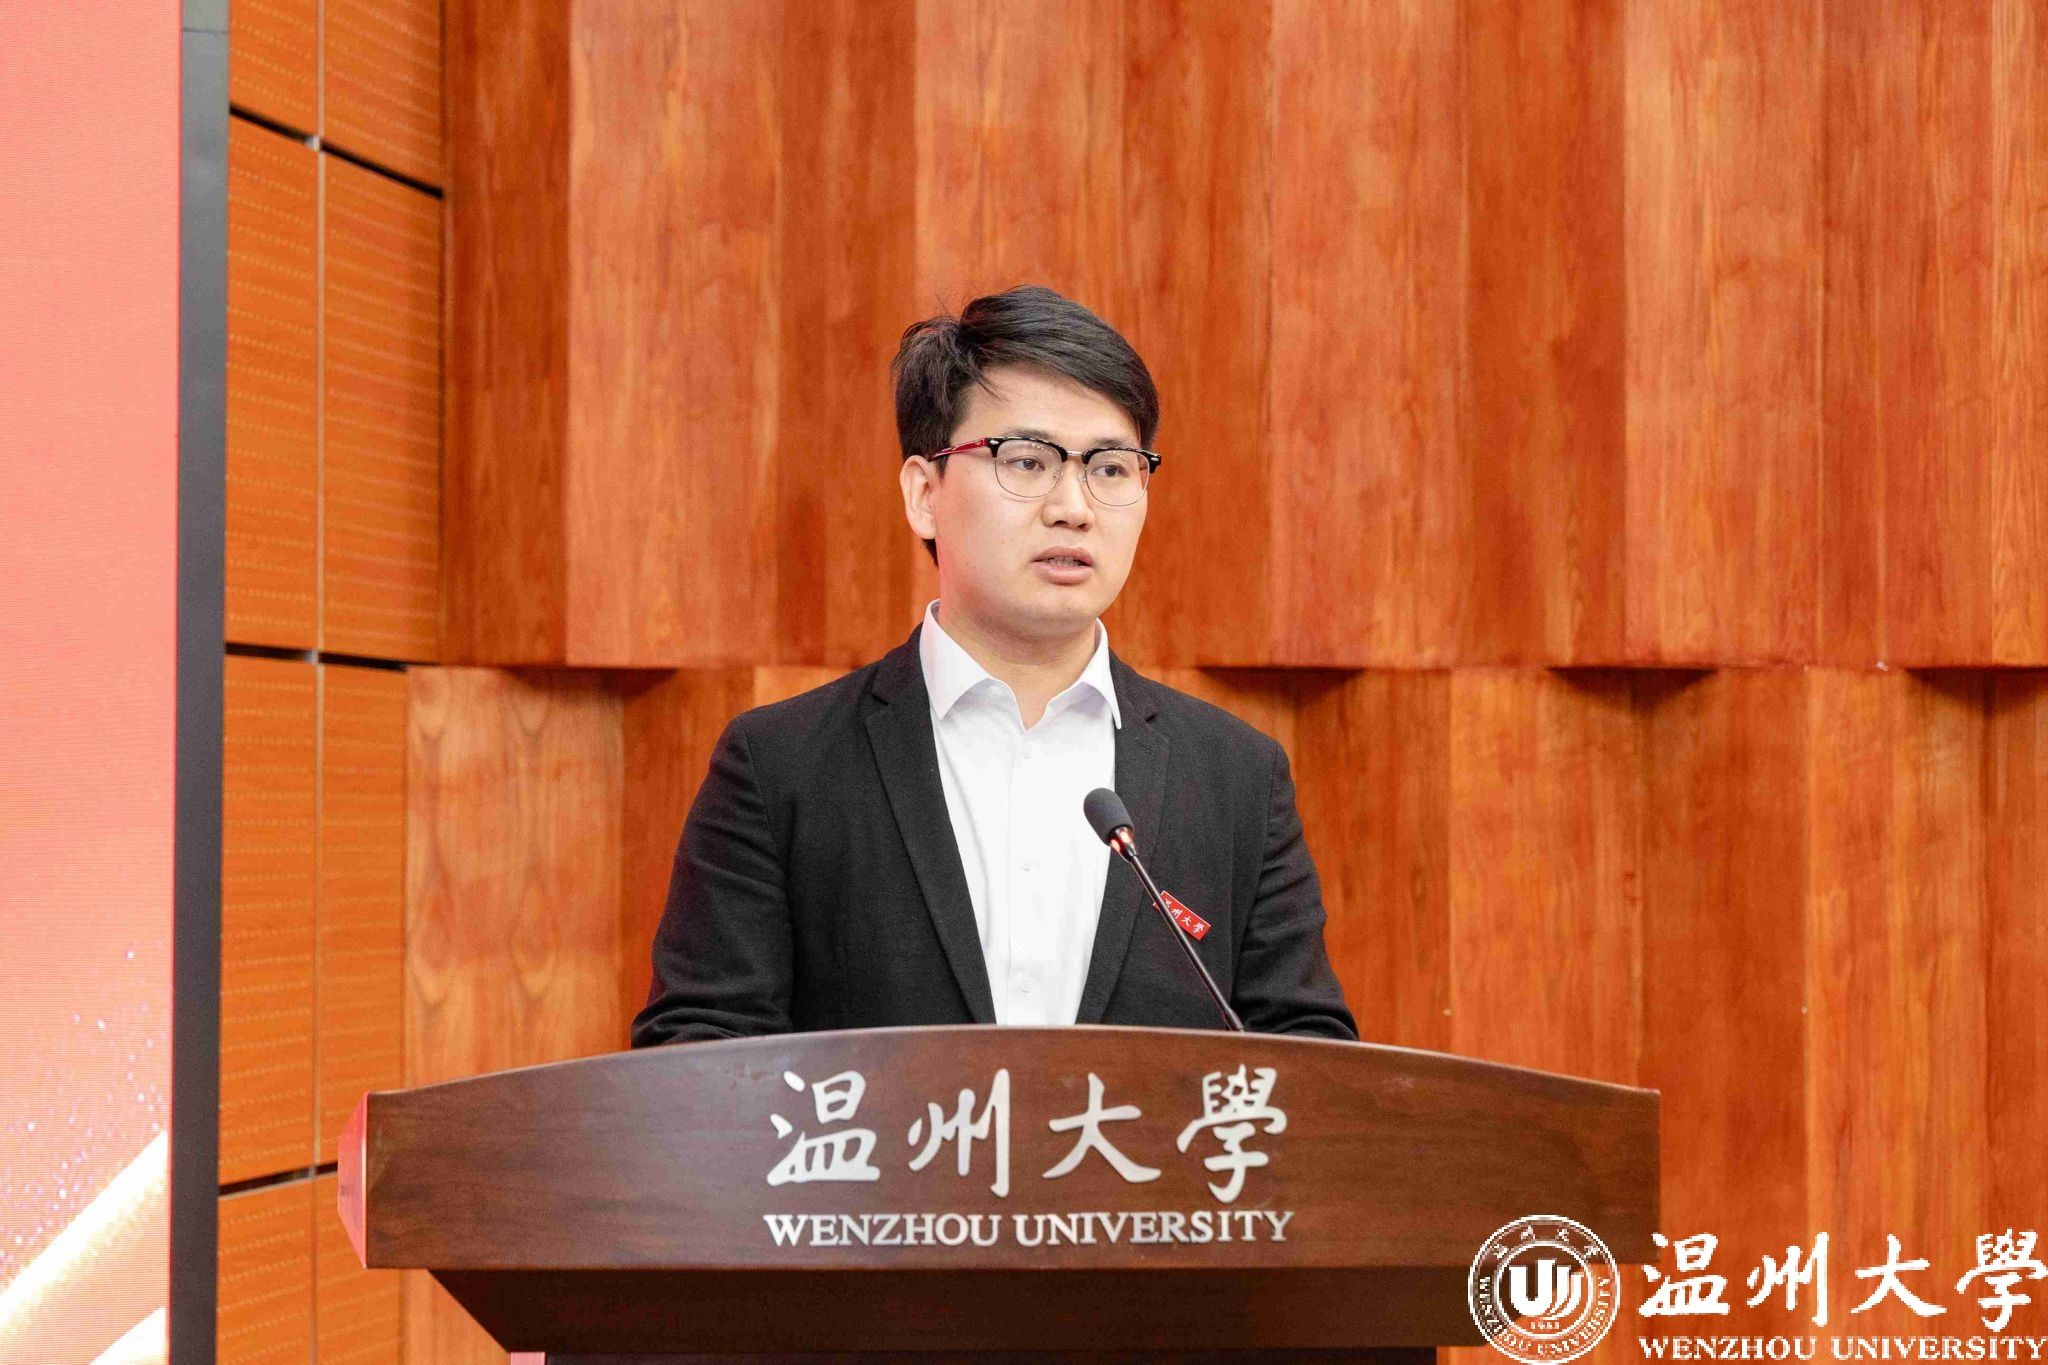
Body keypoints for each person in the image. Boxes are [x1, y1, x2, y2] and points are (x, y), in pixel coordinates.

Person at [631, 285, 1356, 1045]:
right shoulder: (783, 767)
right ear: (925, 493)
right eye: (1028, 460)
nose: (1074, 506)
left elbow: (1309, 1061)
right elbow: (698, 1057)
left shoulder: (1237, 778)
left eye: (1111, 468)